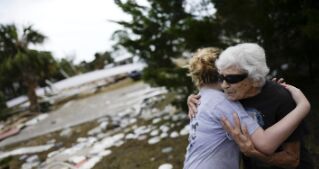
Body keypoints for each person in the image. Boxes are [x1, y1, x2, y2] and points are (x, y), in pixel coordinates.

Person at [187, 43, 314, 169]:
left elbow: (292, 160)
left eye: (231, 78)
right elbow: (210, 93)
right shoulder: (230, 95)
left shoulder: (281, 98)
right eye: (221, 77)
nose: (224, 85)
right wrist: (193, 98)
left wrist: (256, 154)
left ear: (254, 79)